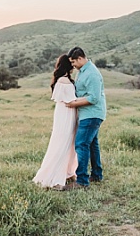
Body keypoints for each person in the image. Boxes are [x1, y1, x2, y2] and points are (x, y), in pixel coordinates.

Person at [32, 54, 79, 191]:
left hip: (64, 114)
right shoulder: (64, 81)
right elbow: (70, 101)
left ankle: (68, 172)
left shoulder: (62, 79)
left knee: (67, 143)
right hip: (66, 115)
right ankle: (55, 177)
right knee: (63, 143)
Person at [64, 46, 107, 190]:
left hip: (92, 114)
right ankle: (96, 174)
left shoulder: (92, 73)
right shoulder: (82, 72)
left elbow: (94, 98)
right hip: (87, 114)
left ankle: (82, 180)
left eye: (74, 62)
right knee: (92, 144)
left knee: (81, 144)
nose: (73, 65)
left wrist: (73, 104)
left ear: (81, 58)